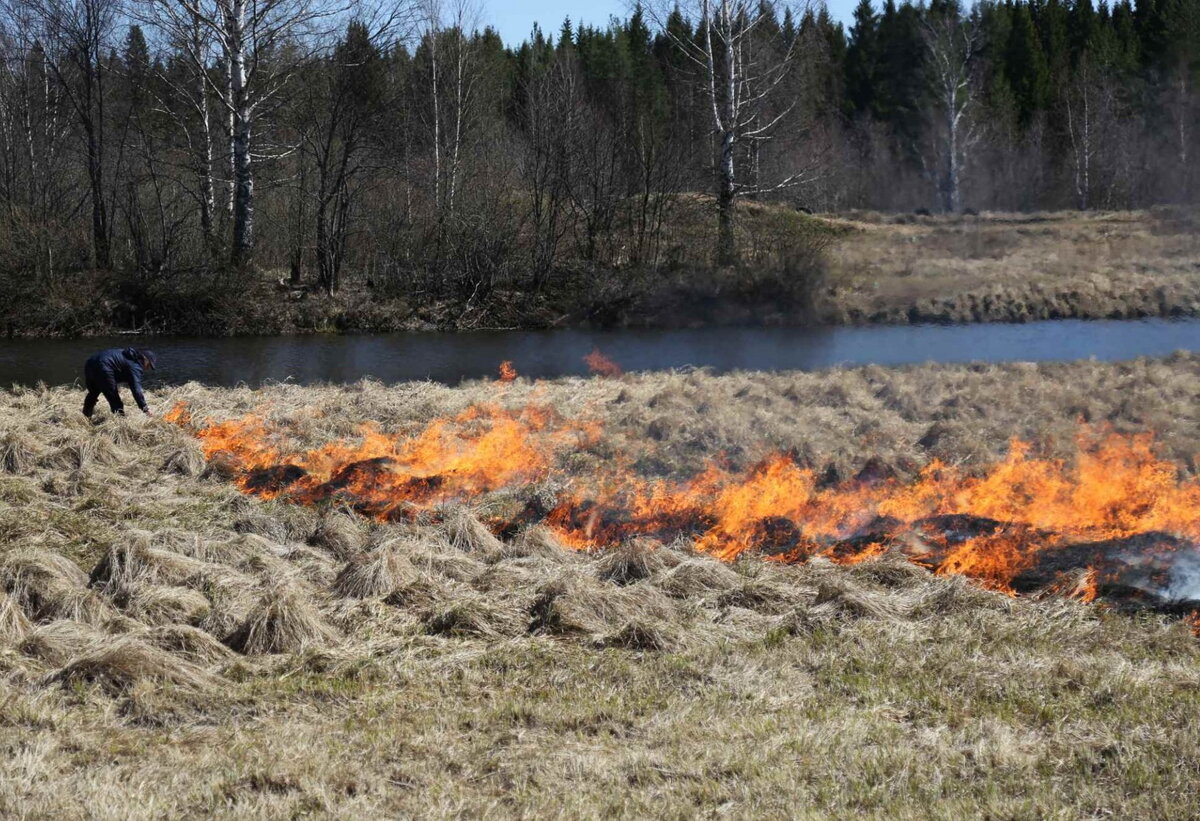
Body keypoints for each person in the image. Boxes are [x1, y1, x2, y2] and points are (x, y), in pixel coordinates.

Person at [82, 347, 157, 418]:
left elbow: (118, 367)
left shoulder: (128, 355)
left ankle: (85, 417)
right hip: (104, 366)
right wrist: (145, 408)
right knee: (114, 399)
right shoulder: (135, 366)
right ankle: (120, 422)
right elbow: (136, 389)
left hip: (90, 363)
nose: (147, 368)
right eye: (149, 365)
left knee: (93, 392)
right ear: (145, 358)